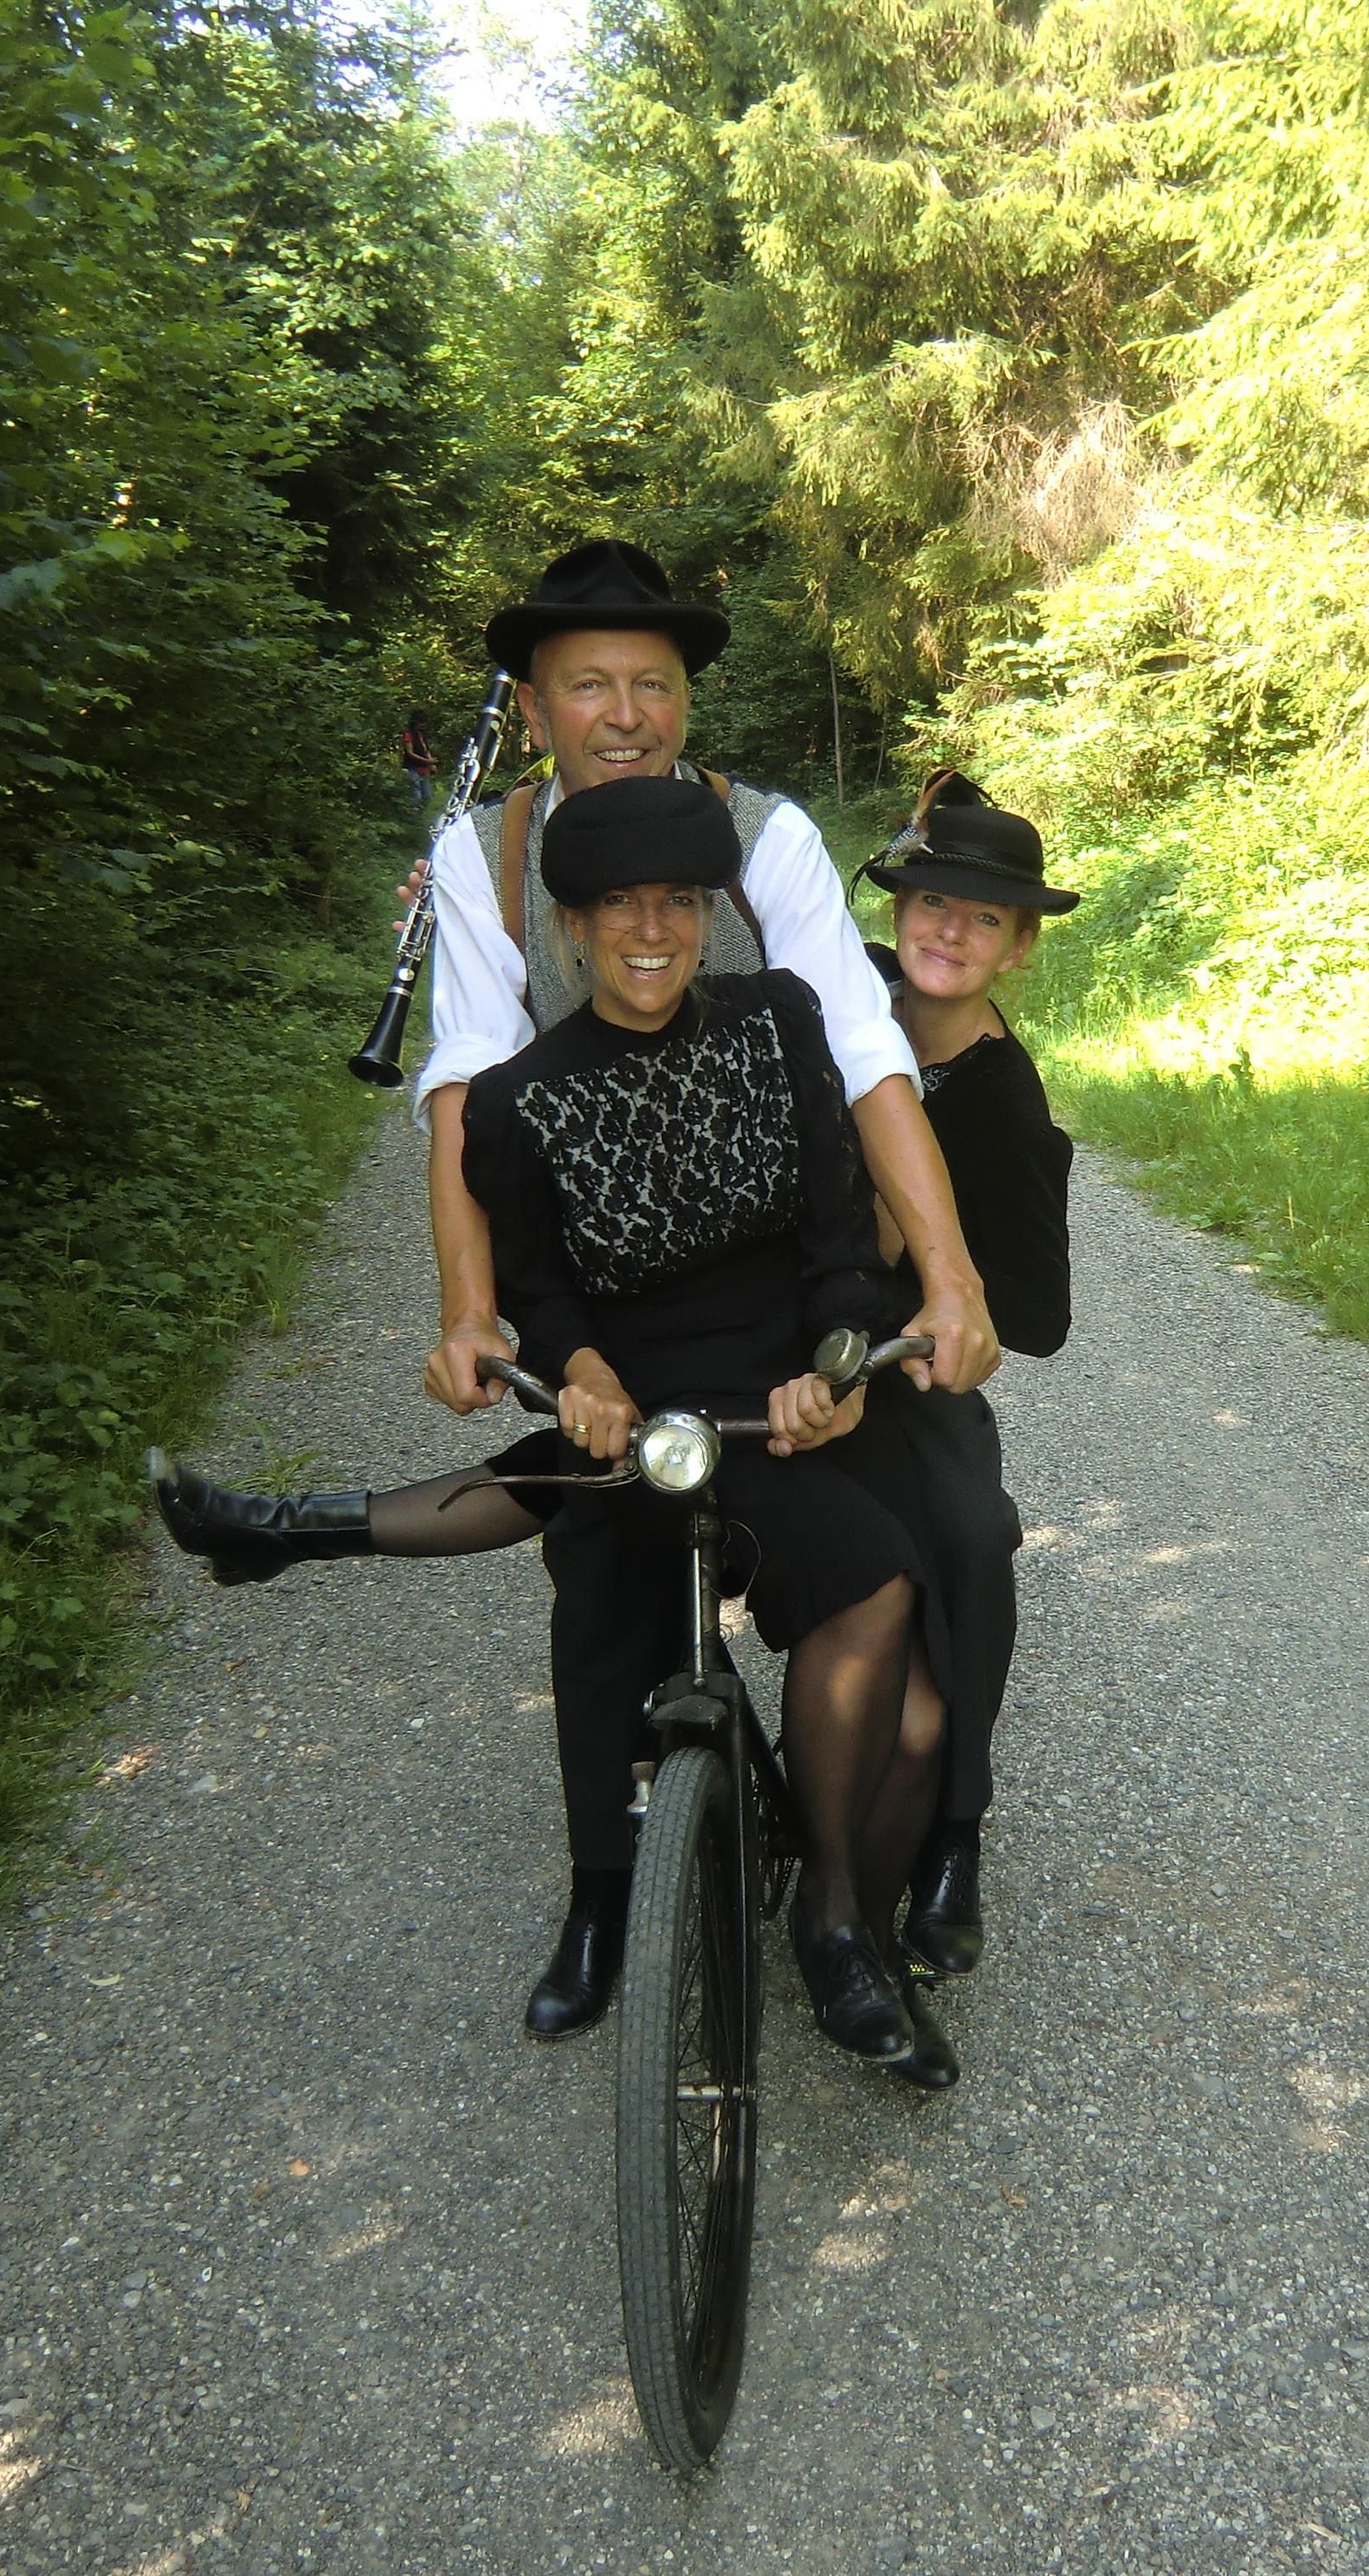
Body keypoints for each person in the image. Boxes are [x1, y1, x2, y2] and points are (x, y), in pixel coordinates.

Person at [405, 539, 996, 2038]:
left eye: (652, 683)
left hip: (803, 1308)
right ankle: (610, 1890)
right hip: (610, 1314)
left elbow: (865, 1052)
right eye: (588, 683)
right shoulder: (483, 859)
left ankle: (928, 1848)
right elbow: (466, 1084)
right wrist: (473, 1312)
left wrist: (947, 1271)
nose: (624, 712)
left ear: (684, 699)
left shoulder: (767, 838)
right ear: (534, 703)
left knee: (952, 1540)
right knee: (600, 1570)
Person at [462, 775, 955, 2082]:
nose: (651, 929)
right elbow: (535, 1284)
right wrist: (578, 1371)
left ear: (705, 916)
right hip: (630, 1409)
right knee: (599, 1614)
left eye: (677, 901)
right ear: (570, 927)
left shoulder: (779, 1020)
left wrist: (837, 1361)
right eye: (617, 904)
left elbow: (836, 1238)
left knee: (872, 1586)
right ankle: (597, 1900)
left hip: (768, 1397)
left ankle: (836, 1908)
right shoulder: (518, 1101)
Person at [839, 778, 1077, 1982]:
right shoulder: (839, 1001)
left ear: (1019, 948)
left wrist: (950, 1294)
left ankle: (955, 1837)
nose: (949, 932)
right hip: (777, 1340)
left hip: (896, 1372)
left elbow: (1039, 1318)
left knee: (976, 1532)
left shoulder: (1003, 1100)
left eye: (985, 920)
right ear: (900, 909)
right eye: (933, 902)